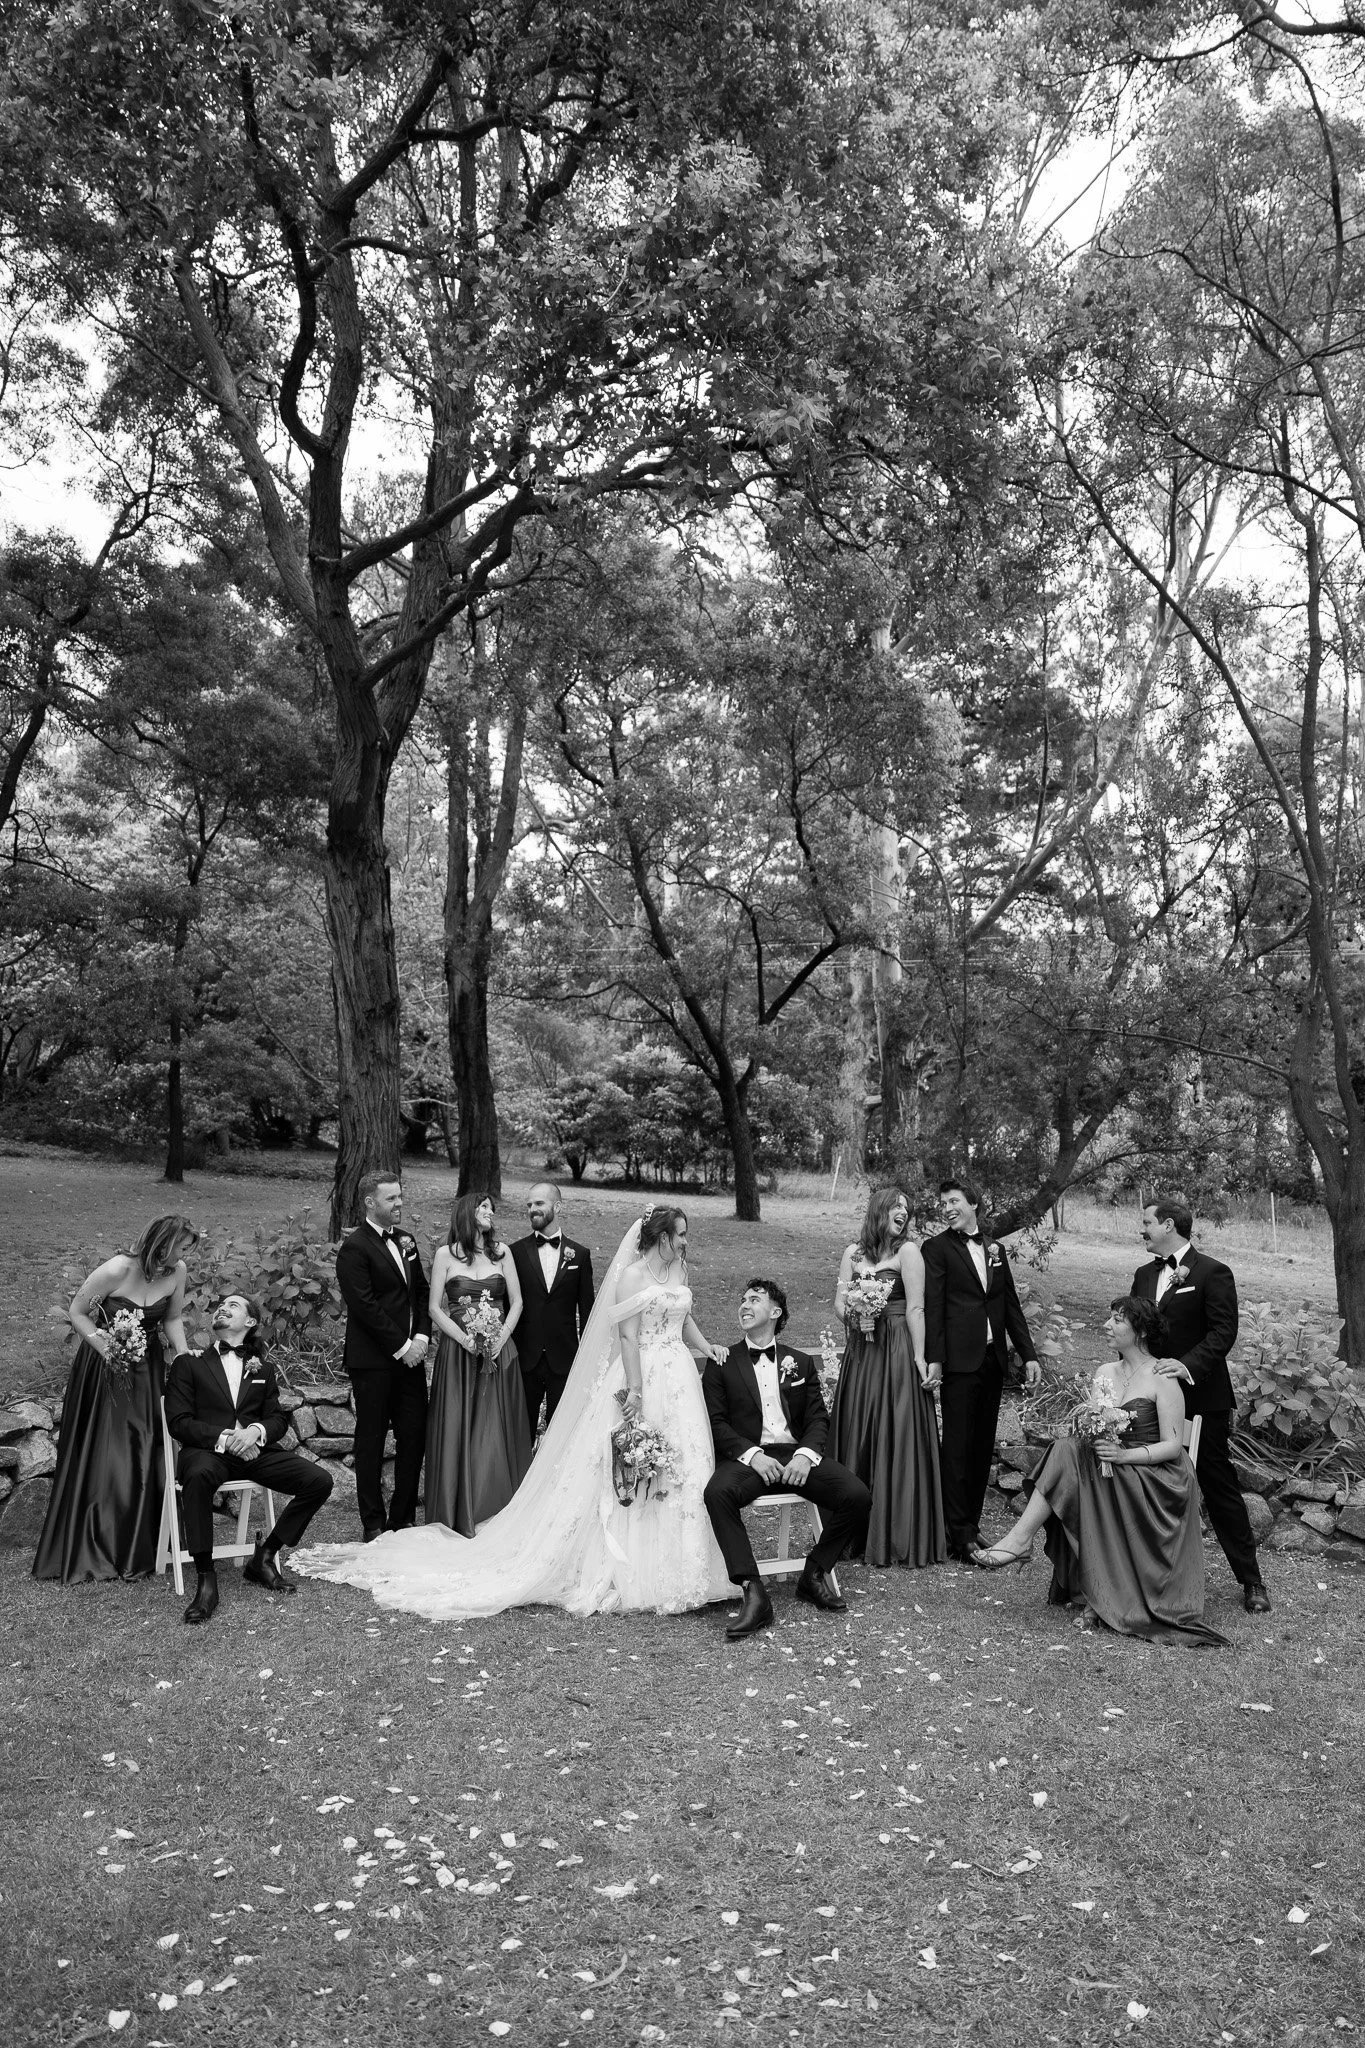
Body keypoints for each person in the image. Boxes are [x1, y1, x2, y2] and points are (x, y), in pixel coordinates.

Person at [293, 1206, 734, 1619]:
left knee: (681, 1464)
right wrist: (634, 1388)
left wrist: (705, 1345)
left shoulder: (678, 1268)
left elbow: (684, 1315)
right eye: (680, 1236)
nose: (685, 1244)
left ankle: (684, 1563)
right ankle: (632, 1560)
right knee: (632, 1461)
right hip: (643, 1376)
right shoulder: (634, 1276)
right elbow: (627, 1336)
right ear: (660, 1237)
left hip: (677, 1376)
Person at [972, 1296, 1229, 1648]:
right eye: (1109, 1318)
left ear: (1139, 1332)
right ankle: (1034, 1550)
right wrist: (1094, 1430)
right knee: (1066, 1450)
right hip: (1110, 1463)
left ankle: (1028, 1547)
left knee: (1074, 1465)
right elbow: (1094, 1428)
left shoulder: (1163, 1377)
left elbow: (1172, 1447)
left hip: (1155, 1475)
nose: (1107, 1325)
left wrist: (1124, 1457)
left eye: (1117, 1320)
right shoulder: (1104, 1373)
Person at [702, 1278, 872, 1640]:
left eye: (755, 1300)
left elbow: (817, 1420)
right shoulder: (722, 1361)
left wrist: (806, 1456)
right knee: (717, 1493)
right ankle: (753, 1591)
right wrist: (752, 1455)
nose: (744, 1305)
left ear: (775, 1313)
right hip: (751, 1460)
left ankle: (814, 1573)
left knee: (857, 1496)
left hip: (795, 1458)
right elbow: (716, 1424)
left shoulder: (801, 1361)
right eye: (742, 1299)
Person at [34, 1215, 195, 1584]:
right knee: (108, 1448)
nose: (186, 1255)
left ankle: (143, 1542)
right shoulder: (117, 1269)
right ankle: (99, 1541)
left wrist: (183, 1354)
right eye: (183, 1247)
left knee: (144, 1445)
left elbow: (172, 1318)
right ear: (163, 1242)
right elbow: (78, 1313)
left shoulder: (177, 1272)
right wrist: (104, 1346)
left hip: (147, 1369)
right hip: (104, 1368)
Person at [1133, 1196, 1270, 1614]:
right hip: (1149, 1396)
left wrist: (1185, 1366)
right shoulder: (1142, 1275)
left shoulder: (1212, 1272)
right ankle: (1146, 1577)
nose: (1141, 1230)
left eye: (1147, 1223)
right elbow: (1136, 1329)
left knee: (1217, 1483)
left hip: (1201, 1397)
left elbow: (1223, 1332)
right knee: (1145, 1476)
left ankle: (1251, 1581)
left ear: (1169, 1225)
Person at [164, 1293, 333, 1624]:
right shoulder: (189, 1364)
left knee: (320, 1480)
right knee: (197, 1476)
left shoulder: (263, 1369)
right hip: (207, 1452)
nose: (222, 1308)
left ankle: (265, 1556)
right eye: (220, 1305)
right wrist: (228, 1438)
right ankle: (206, 1581)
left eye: (233, 1306)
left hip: (256, 1452)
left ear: (251, 1322)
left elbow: (277, 1419)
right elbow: (179, 1422)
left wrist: (254, 1431)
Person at [922, 1176, 1040, 1563]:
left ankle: (970, 1528)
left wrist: (1029, 1354)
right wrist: (935, 1358)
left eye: (954, 1201)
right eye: (944, 1204)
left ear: (974, 1204)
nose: (948, 1208)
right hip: (958, 1362)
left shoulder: (995, 1249)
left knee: (980, 1448)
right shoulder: (935, 1249)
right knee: (956, 1447)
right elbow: (934, 1306)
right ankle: (956, 1534)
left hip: (992, 1361)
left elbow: (1009, 1305)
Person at [828, 1186, 944, 1569]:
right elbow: (839, 1303)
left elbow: (916, 1308)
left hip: (894, 1350)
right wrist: (857, 1312)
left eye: (906, 1209)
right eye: (896, 1206)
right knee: (860, 1428)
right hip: (863, 1352)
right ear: (880, 1210)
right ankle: (851, 1531)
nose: (903, 1213)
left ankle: (893, 1533)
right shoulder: (853, 1254)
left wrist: (919, 1358)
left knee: (895, 1430)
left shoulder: (908, 1252)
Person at [425, 1192, 531, 1534]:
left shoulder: (503, 1253)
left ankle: (498, 1511)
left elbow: (516, 1302)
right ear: (467, 1212)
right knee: (461, 1427)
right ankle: (459, 1512)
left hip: (500, 1352)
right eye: (483, 1206)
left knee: (495, 1430)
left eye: (491, 1207)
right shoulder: (445, 1255)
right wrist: (463, 1338)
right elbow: (434, 1308)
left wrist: (501, 1338)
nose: (489, 1211)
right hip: (459, 1355)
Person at [335, 1171, 431, 1541]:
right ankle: (373, 1522)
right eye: (391, 1199)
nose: (399, 1204)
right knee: (371, 1439)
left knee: (413, 1435)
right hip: (373, 1361)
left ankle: (403, 1516)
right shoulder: (355, 1248)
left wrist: (421, 1336)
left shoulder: (406, 1240)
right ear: (370, 1203)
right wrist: (403, 1347)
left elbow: (420, 1292)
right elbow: (365, 1307)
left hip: (412, 1357)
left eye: (400, 1197)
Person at [508, 1182, 595, 1435]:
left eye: (539, 1204)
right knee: (520, 1432)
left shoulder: (580, 1255)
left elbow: (587, 1311)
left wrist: (586, 1360)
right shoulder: (514, 1252)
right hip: (525, 1359)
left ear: (557, 1206)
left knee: (562, 1434)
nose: (532, 1209)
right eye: (529, 1205)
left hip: (565, 1359)